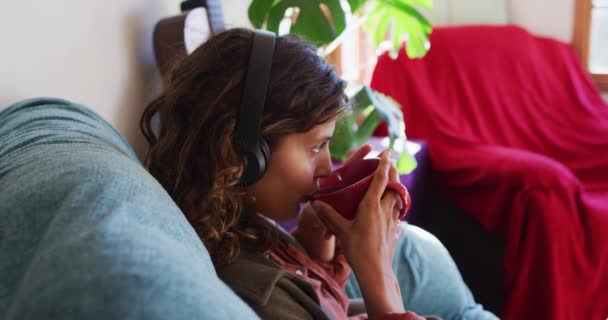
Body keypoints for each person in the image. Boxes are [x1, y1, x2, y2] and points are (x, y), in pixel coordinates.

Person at [141, 28, 497, 320]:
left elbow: (325, 308)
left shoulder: (241, 225)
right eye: (315, 147)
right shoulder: (258, 293)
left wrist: (320, 256)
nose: (328, 167)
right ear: (245, 151)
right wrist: (379, 279)